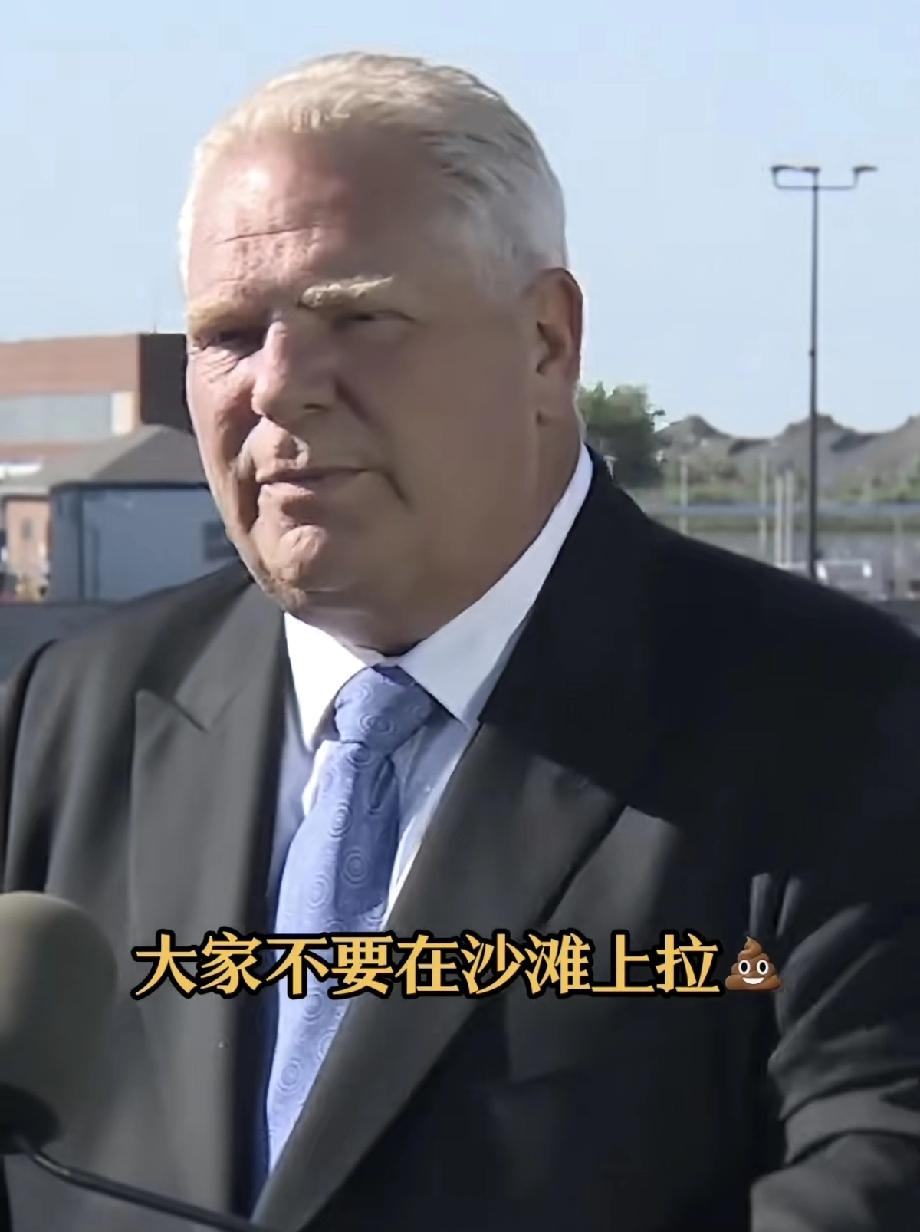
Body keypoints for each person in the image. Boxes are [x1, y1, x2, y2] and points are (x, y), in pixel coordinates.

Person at [2, 51, 919, 1232]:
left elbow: (875, 1164)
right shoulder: (69, 715)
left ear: (545, 341)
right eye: (228, 332)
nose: (278, 387)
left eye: (356, 316)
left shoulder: (841, 723)